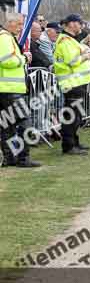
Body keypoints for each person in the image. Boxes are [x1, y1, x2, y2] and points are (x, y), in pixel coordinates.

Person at [0, 13, 39, 168]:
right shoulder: (4, 38)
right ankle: (23, 158)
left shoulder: (5, 37)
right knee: (25, 122)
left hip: (6, 89)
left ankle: (10, 158)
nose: (22, 28)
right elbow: (6, 61)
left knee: (7, 125)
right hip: (10, 89)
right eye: (19, 24)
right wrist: (23, 58)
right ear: (10, 23)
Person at [53, 14, 90, 156]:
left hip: (76, 82)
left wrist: (85, 53)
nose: (81, 26)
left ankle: (74, 143)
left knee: (76, 116)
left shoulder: (71, 40)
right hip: (71, 83)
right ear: (71, 24)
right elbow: (72, 61)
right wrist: (87, 56)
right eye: (80, 23)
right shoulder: (65, 40)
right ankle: (69, 146)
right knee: (71, 116)